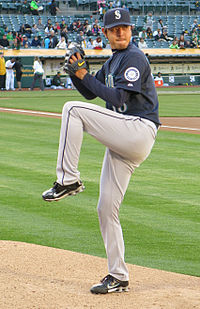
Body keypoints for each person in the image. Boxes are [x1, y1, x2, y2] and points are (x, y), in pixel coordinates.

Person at [42, 8, 160, 294]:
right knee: (106, 208)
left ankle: (68, 178)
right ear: (105, 33)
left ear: (131, 30)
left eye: (125, 27)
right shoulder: (113, 61)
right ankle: (118, 276)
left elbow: (119, 97)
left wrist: (83, 73)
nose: (120, 31)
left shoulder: (134, 57)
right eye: (114, 28)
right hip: (124, 138)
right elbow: (90, 92)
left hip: (138, 129)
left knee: (71, 110)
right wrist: (75, 73)